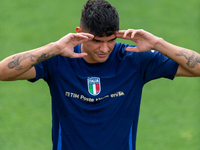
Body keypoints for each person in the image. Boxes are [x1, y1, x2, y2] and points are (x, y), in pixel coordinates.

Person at [0, 0, 200, 149]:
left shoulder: (133, 59)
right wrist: (54, 47)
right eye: (96, 41)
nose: (104, 48)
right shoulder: (59, 59)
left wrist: (158, 44)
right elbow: (3, 71)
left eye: (110, 40)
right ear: (80, 32)